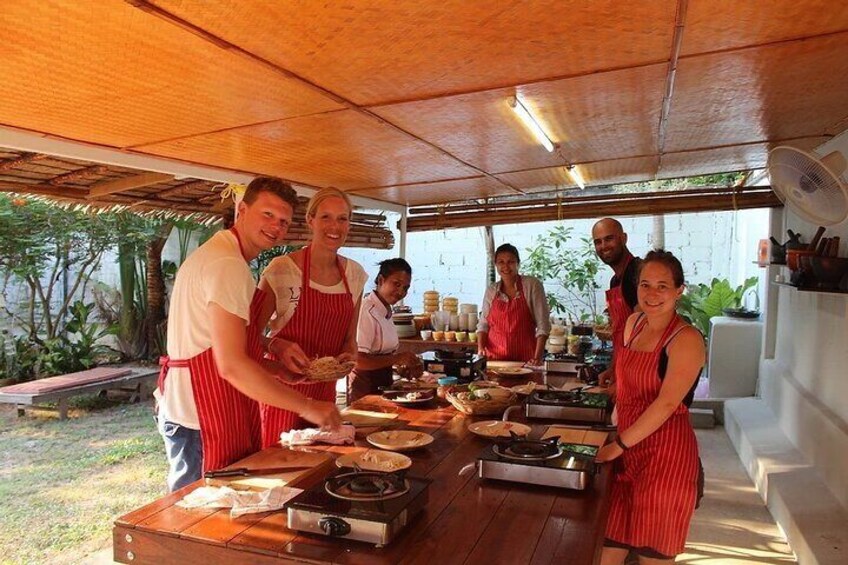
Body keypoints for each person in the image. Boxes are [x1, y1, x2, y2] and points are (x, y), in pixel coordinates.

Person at [156, 177, 341, 492]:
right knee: (199, 516)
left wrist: (277, 369)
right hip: (199, 413)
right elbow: (230, 364)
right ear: (242, 209)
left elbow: (218, 344)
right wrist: (307, 406)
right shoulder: (228, 265)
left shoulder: (220, 254)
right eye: (267, 214)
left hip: (192, 407)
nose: (276, 226)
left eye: (283, 221)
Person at [596, 250, 705, 564]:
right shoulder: (633, 324)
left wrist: (617, 445)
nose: (652, 294)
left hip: (665, 459)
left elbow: (667, 402)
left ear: (679, 290)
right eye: (645, 285)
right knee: (604, 549)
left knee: (651, 556)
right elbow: (630, 383)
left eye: (662, 286)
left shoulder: (686, 339)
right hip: (628, 453)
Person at [256, 187, 368, 448]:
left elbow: (350, 340)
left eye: (343, 218)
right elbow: (249, 336)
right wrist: (276, 344)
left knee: (320, 471)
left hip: (325, 399)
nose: (335, 226)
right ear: (310, 220)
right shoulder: (282, 270)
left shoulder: (355, 275)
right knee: (280, 471)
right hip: (281, 393)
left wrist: (349, 357)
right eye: (326, 217)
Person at [350, 258, 423, 403]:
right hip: (365, 390)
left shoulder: (386, 310)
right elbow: (358, 360)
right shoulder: (367, 311)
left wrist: (400, 368)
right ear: (381, 280)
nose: (401, 291)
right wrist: (398, 358)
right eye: (396, 284)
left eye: (406, 288)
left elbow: (381, 353)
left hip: (383, 386)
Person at [476, 243, 551, 365]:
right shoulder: (491, 290)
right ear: (495, 265)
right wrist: (480, 350)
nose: (506, 266)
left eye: (510, 262)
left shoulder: (531, 285)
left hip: (525, 362)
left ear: (518, 264)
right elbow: (483, 325)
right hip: (494, 361)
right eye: (501, 262)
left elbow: (543, 325)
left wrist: (537, 358)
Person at [592, 218, 640, 388]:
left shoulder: (637, 274)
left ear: (624, 238)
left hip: (638, 375)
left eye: (609, 239)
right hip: (624, 371)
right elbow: (619, 333)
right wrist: (614, 369)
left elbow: (641, 334)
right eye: (598, 242)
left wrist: (625, 376)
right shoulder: (615, 281)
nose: (603, 246)